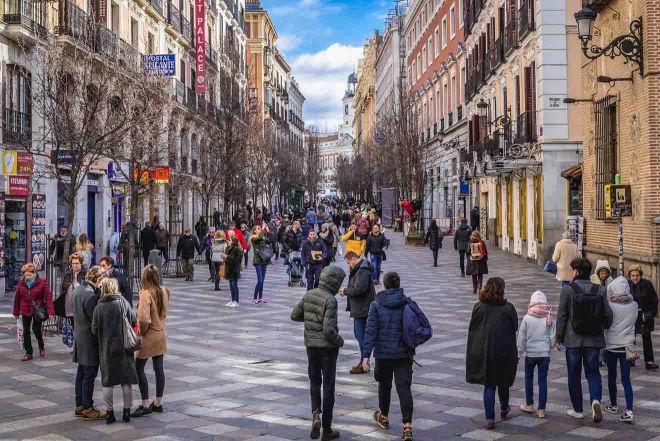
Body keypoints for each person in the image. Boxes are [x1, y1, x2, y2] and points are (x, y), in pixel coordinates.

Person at [291, 266, 346, 441]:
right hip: (327, 350)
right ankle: (327, 429)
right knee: (328, 386)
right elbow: (329, 331)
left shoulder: (309, 294)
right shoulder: (330, 300)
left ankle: (316, 413)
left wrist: (309, 321)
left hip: (311, 346)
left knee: (315, 381)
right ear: (334, 283)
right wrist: (340, 341)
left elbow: (295, 315)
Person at [555, 257, 613, 422]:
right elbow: (608, 314)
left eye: (572, 269)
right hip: (594, 339)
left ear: (577, 271)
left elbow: (562, 316)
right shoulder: (599, 290)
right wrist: (603, 327)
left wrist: (559, 338)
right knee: (593, 373)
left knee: (574, 375)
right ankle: (595, 400)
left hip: (573, 340)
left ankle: (578, 409)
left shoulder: (568, 290)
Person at [361, 272, 414, 441]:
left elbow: (370, 331)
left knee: (384, 385)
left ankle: (383, 416)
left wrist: (366, 356)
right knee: (404, 388)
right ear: (398, 284)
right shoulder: (406, 302)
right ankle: (407, 427)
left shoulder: (376, 304)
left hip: (383, 354)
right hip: (404, 353)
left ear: (384, 285)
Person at [466, 277, 518, 430]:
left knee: (489, 385)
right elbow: (514, 327)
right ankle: (504, 407)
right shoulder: (508, 308)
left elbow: (473, 329)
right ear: (501, 290)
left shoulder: (478, 307)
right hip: (504, 350)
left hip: (484, 350)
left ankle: (489, 419)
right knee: (503, 381)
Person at [91, 278, 139, 424]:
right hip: (124, 347)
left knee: (108, 382)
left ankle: (109, 413)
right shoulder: (123, 302)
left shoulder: (99, 307)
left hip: (106, 348)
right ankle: (126, 412)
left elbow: (94, 329)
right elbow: (133, 320)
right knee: (126, 381)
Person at [132, 265, 170, 418]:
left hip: (148, 336)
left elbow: (143, 318)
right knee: (158, 368)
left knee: (138, 367)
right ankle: (158, 402)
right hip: (161, 333)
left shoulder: (145, 294)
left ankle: (146, 404)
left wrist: (141, 331)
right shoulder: (164, 290)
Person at [72, 266, 107, 419]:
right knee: (89, 375)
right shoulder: (90, 295)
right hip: (89, 340)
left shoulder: (79, 290)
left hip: (79, 336)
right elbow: (95, 320)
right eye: (102, 279)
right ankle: (88, 407)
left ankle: (79, 404)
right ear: (97, 279)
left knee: (81, 372)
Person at [517, 291, 556, 419]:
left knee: (529, 377)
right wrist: (548, 346)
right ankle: (541, 409)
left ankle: (529, 404)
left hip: (531, 354)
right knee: (543, 380)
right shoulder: (549, 317)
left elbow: (521, 338)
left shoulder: (527, 318)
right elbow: (553, 338)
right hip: (544, 354)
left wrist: (518, 354)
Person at [603, 277, 637, 422]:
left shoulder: (610, 305)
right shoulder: (634, 305)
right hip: (627, 346)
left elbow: (606, 324)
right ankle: (629, 410)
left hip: (611, 346)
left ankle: (613, 404)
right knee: (626, 378)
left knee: (612, 376)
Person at [339, 251, 375, 375]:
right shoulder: (359, 269)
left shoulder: (363, 270)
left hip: (363, 308)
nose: (349, 265)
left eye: (349, 262)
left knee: (361, 335)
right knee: (359, 334)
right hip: (359, 307)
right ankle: (364, 360)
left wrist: (346, 291)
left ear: (354, 259)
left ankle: (364, 361)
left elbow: (360, 289)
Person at [13, 263, 55, 361]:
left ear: (34, 273)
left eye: (29, 275)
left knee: (36, 329)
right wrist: (16, 312)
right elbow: (17, 298)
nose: (27, 277)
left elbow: (48, 298)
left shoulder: (42, 282)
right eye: (25, 275)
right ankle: (28, 353)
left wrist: (50, 311)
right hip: (25, 309)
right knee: (26, 331)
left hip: (37, 310)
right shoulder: (21, 282)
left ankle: (41, 345)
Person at [628, 265, 658, 370]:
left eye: (637, 275)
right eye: (632, 276)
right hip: (631, 314)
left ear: (640, 275)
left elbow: (654, 299)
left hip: (645, 314)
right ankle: (631, 359)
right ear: (629, 276)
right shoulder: (626, 284)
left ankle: (649, 362)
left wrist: (652, 313)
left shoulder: (647, 284)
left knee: (646, 337)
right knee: (631, 337)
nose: (635, 278)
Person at [56, 252, 87, 326]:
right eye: (73, 263)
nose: (74, 265)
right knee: (72, 327)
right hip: (70, 305)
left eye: (77, 263)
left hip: (81, 305)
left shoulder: (86, 274)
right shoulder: (68, 274)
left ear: (81, 263)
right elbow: (63, 288)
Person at [250, 225, 271, 304]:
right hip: (257, 260)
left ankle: (260, 297)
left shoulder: (262, 237)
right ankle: (255, 298)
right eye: (258, 228)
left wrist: (267, 231)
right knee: (260, 280)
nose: (260, 229)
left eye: (260, 228)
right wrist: (262, 229)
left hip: (264, 260)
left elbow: (269, 240)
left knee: (262, 281)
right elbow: (258, 240)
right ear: (255, 231)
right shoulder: (253, 238)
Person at [223, 237, 242, 307]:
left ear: (233, 241)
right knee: (231, 286)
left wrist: (226, 256)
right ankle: (232, 299)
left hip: (234, 270)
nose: (228, 241)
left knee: (234, 285)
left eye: (229, 240)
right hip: (229, 269)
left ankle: (236, 301)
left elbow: (234, 259)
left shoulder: (236, 249)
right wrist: (224, 256)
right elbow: (227, 258)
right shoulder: (228, 248)